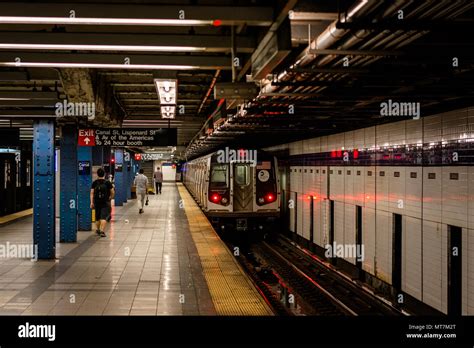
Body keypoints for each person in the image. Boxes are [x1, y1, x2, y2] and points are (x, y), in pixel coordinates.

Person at [90, 168, 114, 237]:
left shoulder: (94, 183)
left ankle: (97, 229)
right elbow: (112, 192)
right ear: (104, 174)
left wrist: (91, 202)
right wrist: (110, 197)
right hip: (105, 202)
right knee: (103, 217)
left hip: (96, 201)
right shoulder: (107, 182)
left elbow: (92, 193)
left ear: (97, 174)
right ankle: (102, 231)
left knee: (97, 217)